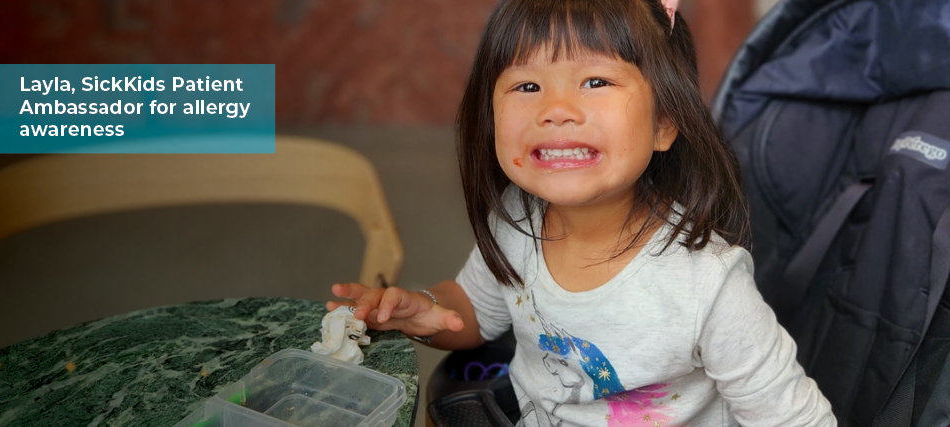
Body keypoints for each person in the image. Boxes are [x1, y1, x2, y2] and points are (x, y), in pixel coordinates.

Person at [327, 0, 837, 425]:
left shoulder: (707, 285)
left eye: (595, 81)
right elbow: (475, 314)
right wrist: (424, 310)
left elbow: (796, 419)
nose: (556, 109)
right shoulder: (516, 216)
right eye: (527, 87)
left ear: (664, 122)